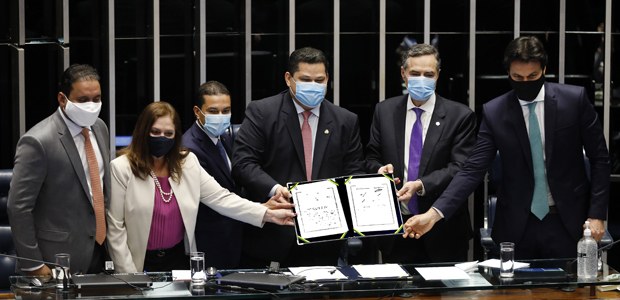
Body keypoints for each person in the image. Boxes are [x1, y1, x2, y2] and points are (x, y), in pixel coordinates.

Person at [403, 36, 610, 259]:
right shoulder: (495, 112)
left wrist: (597, 214)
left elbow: (600, 159)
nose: (526, 82)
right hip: (516, 227)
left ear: (544, 70)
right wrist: (433, 215)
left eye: (532, 76)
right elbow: (472, 170)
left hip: (569, 221)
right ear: (508, 74)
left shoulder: (573, 101)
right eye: (517, 77)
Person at [106, 101, 296, 273]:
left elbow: (222, 198)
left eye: (168, 134)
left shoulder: (187, 163)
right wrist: (129, 276)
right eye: (155, 132)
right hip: (138, 263)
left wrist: (267, 214)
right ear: (142, 131)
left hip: (179, 260)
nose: (161, 138)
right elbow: (116, 228)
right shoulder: (122, 168)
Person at [232, 47, 366, 267]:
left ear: (327, 80)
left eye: (319, 80)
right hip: (272, 236)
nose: (313, 86)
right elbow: (243, 164)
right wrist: (276, 189)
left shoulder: (345, 121)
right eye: (305, 80)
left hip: (324, 239)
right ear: (288, 78)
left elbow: (355, 171)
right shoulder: (262, 112)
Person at [366, 44, 477, 263]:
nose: (421, 79)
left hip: (443, 230)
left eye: (428, 74)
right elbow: (371, 157)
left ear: (438, 76)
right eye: (415, 74)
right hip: (397, 230)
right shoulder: (385, 111)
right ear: (403, 73)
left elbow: (460, 168)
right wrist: (379, 169)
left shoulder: (460, 116)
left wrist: (420, 184)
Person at [8, 64, 110, 275]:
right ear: (63, 99)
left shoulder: (100, 128)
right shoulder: (37, 141)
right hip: (55, 259)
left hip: (100, 252)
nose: (91, 105)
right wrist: (34, 265)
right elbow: (18, 208)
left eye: (97, 99)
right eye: (82, 100)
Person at [182, 81, 244, 269]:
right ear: (197, 111)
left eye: (226, 111)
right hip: (209, 238)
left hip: (232, 234)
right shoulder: (189, 148)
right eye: (213, 111)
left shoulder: (225, 136)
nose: (221, 117)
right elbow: (214, 197)